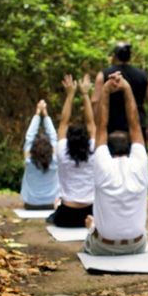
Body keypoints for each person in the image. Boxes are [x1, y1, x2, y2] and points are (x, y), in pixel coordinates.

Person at [82, 72, 148, 255]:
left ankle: (94, 226)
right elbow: (135, 126)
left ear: (107, 151)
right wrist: (127, 89)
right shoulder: (139, 164)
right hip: (137, 245)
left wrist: (105, 91)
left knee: (90, 224)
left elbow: (101, 127)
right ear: (129, 148)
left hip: (103, 246)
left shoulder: (103, 165)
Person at [50, 73, 98, 228]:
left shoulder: (62, 150)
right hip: (90, 213)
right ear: (87, 138)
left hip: (66, 216)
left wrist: (70, 95)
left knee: (56, 207)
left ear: (68, 138)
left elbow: (63, 122)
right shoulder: (94, 150)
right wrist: (85, 94)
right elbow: (91, 123)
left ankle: (58, 208)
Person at [95, 42, 148, 143]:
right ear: (130, 57)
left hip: (111, 127)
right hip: (138, 127)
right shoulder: (143, 76)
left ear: (114, 56)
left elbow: (95, 101)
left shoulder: (104, 75)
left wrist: (96, 126)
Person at [20, 100, 59, 210]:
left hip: (31, 204)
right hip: (52, 203)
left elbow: (29, 137)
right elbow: (53, 137)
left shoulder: (29, 161)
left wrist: (37, 113)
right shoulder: (55, 161)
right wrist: (45, 114)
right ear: (50, 149)